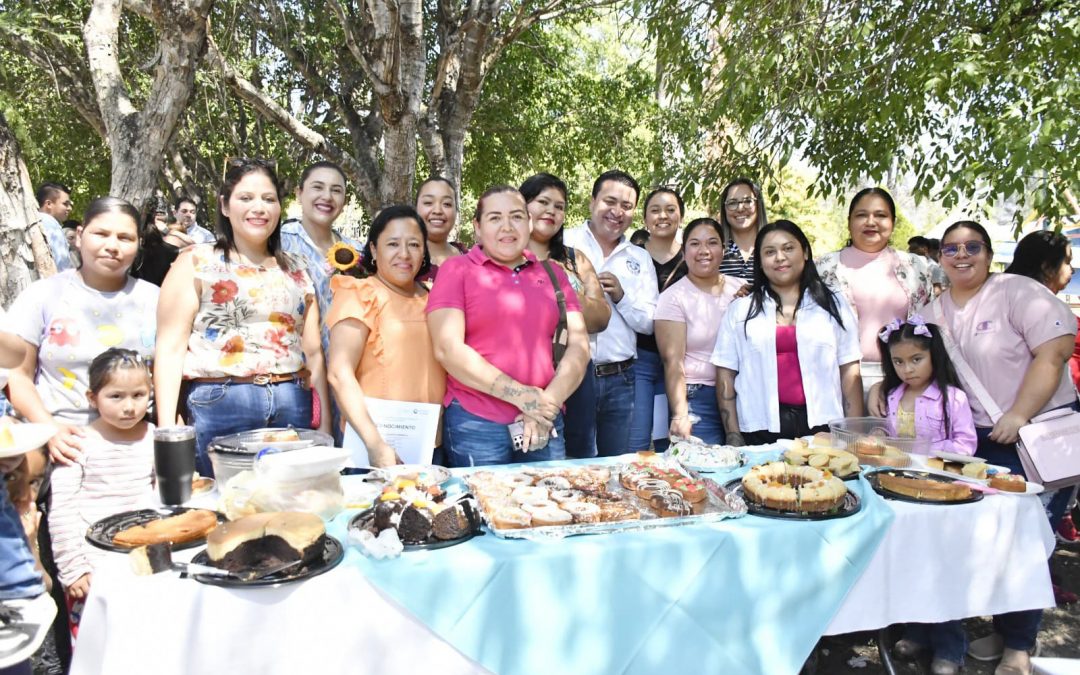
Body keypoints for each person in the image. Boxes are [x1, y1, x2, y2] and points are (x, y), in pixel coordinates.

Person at [907, 221, 1077, 675]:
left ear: (987, 252)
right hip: (969, 442)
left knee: (1025, 544)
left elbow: (1056, 350)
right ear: (939, 256)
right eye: (951, 248)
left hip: (1036, 437)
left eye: (973, 246)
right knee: (966, 542)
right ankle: (979, 633)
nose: (962, 255)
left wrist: (1019, 413)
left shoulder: (1018, 291)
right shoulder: (931, 310)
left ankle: (1019, 646)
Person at [154, 159, 331, 477]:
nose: (259, 208)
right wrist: (167, 433)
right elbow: (169, 349)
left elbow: (314, 352)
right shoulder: (195, 261)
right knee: (227, 513)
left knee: (290, 511)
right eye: (246, 198)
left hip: (292, 403)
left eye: (269, 198)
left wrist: (326, 430)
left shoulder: (297, 268)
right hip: (221, 403)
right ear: (224, 205)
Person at [428, 186, 589, 466]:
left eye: (516, 217)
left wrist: (545, 404)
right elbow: (447, 348)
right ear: (477, 227)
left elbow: (579, 346)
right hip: (477, 422)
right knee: (483, 507)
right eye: (494, 218)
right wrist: (522, 396)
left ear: (529, 223)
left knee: (549, 504)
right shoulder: (457, 270)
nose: (507, 227)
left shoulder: (553, 273)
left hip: (544, 419)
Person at [7, 197, 159, 464]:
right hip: (61, 447)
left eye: (125, 238)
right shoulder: (43, 295)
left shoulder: (156, 299)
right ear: (79, 235)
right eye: (101, 234)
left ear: (138, 245)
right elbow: (17, 376)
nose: (112, 246)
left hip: (137, 446)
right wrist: (49, 429)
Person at [713, 220, 863, 445]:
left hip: (823, 429)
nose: (780, 257)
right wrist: (733, 434)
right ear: (761, 263)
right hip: (759, 429)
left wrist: (853, 436)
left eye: (788, 248)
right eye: (769, 252)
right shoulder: (740, 310)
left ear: (804, 252)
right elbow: (725, 373)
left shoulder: (834, 305)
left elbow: (849, 371)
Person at [326, 205, 446, 467]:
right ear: (372, 249)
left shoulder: (434, 298)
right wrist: (375, 443)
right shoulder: (360, 293)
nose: (404, 254)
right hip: (374, 448)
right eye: (393, 244)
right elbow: (339, 373)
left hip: (431, 444)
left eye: (414, 244)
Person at [48, 349, 153, 636]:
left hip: (146, 562)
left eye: (138, 395)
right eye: (116, 396)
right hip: (93, 568)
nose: (129, 407)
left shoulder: (154, 438)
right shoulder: (78, 444)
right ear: (93, 398)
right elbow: (62, 511)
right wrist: (73, 570)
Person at [564, 170, 657, 456]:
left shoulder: (640, 259)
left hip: (621, 379)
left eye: (627, 206)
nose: (617, 212)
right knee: (571, 466)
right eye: (610, 201)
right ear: (592, 201)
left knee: (616, 466)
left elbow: (650, 324)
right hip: (570, 375)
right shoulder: (564, 243)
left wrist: (621, 297)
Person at [521, 173, 610, 459]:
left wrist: (556, 293)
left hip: (576, 373)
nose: (551, 211)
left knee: (580, 457)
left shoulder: (575, 259)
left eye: (559, 206)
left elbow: (600, 317)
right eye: (543, 202)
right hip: (524, 374)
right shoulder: (504, 256)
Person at [817, 188, 934, 399]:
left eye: (880, 215)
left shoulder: (915, 267)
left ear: (893, 222)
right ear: (849, 221)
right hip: (838, 378)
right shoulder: (824, 267)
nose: (871, 222)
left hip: (904, 379)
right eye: (862, 215)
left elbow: (929, 324)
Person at [1003, 230, 1080, 547]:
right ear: (1048, 266)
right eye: (1068, 262)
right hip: (1043, 424)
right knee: (1041, 513)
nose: (1072, 270)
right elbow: (1052, 359)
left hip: (1005, 421)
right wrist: (1020, 414)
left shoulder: (995, 295)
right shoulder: (1043, 304)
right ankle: (1034, 579)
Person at [281, 161, 358, 441]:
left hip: (347, 376)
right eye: (318, 187)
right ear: (299, 194)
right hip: (298, 378)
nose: (327, 197)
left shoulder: (355, 252)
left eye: (336, 190)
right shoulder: (277, 244)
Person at [655, 218, 746, 445]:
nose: (704, 251)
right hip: (698, 397)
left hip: (744, 393)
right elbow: (672, 362)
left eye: (712, 243)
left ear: (723, 250)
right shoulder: (673, 297)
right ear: (684, 253)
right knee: (706, 470)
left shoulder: (743, 290)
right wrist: (680, 413)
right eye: (695, 244)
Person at [626, 188, 685, 452]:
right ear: (645, 218)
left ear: (680, 216)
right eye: (655, 210)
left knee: (667, 440)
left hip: (679, 361)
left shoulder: (693, 255)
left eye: (671, 209)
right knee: (637, 440)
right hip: (640, 359)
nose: (663, 216)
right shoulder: (630, 256)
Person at [877, 317, 976, 455]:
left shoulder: (955, 398)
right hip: (895, 471)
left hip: (936, 474)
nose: (907, 369)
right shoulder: (890, 396)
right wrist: (880, 434)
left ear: (934, 356)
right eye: (898, 362)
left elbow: (966, 445)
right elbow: (888, 433)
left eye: (916, 359)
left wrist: (925, 450)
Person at [415, 177, 466, 282]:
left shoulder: (470, 258)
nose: (437, 211)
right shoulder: (404, 260)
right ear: (415, 208)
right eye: (428, 203)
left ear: (456, 211)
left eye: (446, 204)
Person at [717, 178, 768, 281]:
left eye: (748, 201)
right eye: (732, 203)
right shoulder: (714, 249)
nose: (740, 208)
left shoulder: (774, 247)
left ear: (759, 205)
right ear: (724, 209)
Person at [36, 182, 74, 272]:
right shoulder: (51, 225)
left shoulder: (36, 221)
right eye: (65, 204)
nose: (69, 208)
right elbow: (62, 266)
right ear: (49, 204)